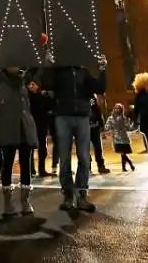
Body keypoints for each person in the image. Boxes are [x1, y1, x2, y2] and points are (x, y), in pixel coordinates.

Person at [34, 53, 108, 212]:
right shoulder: (58, 71)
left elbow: (99, 88)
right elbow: (45, 84)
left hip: (81, 116)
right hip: (63, 116)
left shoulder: (83, 71)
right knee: (64, 157)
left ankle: (81, 194)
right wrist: (47, 65)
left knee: (84, 156)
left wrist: (102, 69)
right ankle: (68, 194)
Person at [0, 66, 39, 216]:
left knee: (26, 164)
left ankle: (25, 201)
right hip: (8, 128)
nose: (16, 66)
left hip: (24, 127)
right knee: (7, 164)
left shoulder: (24, 79)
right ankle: (8, 202)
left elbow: (36, 66)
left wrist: (43, 47)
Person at [27, 79, 55, 177]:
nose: (31, 86)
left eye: (33, 84)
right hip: (30, 126)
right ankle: (31, 170)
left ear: (38, 86)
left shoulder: (42, 96)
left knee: (42, 149)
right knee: (30, 148)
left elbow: (50, 107)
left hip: (41, 126)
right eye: (30, 84)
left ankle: (41, 170)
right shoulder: (27, 98)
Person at [104, 103, 135, 171]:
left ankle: (124, 167)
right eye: (115, 108)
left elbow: (129, 128)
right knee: (122, 153)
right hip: (116, 138)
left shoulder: (124, 118)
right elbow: (107, 126)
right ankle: (129, 163)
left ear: (121, 110)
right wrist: (109, 129)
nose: (116, 109)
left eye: (118, 108)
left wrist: (132, 124)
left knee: (123, 153)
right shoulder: (110, 118)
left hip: (124, 138)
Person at [88, 96, 110, 175]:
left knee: (97, 147)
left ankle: (100, 166)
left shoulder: (91, 97)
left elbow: (97, 109)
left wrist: (100, 122)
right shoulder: (85, 96)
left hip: (94, 126)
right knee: (86, 148)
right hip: (85, 126)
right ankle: (88, 166)